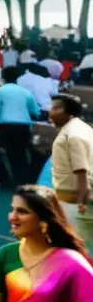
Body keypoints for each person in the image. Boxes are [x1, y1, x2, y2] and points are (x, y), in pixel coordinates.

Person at [47, 94, 93, 248]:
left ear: (69, 112)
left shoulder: (73, 135)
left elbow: (81, 170)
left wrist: (80, 201)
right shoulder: (82, 128)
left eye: (56, 108)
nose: (51, 111)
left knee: (75, 244)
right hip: (77, 198)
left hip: (74, 199)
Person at [0, 66, 42, 186]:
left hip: (6, 126)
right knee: (22, 154)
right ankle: (26, 180)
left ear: (3, 78)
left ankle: (17, 182)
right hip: (24, 127)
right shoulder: (26, 92)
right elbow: (36, 111)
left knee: (11, 155)